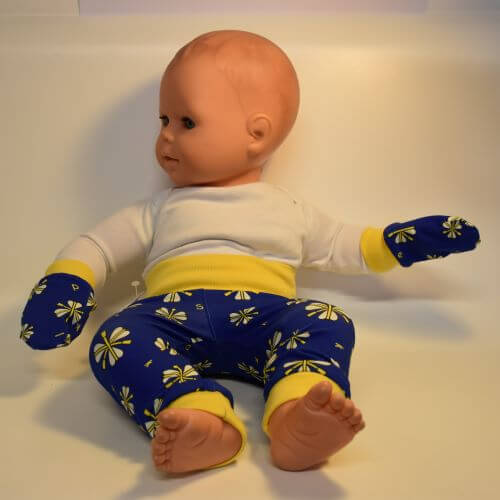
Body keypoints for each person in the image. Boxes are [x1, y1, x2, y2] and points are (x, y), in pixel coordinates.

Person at [20, 30, 480, 474]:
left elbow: (347, 246)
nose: (166, 136)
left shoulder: (288, 208)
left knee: (326, 319)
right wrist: (68, 282)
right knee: (115, 337)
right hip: (170, 320)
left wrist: (401, 242)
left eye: (186, 122)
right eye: (164, 121)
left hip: (266, 320)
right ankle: (196, 415)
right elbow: (99, 245)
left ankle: (296, 413)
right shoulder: (161, 208)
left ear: (256, 134)